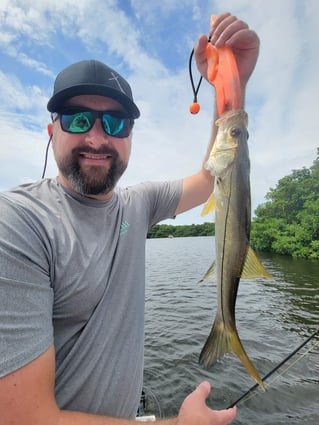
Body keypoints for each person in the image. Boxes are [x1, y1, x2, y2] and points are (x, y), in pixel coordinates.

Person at [0, 12, 259, 425]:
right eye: (78, 118)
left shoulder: (138, 205)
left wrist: (233, 86)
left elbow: (215, 175)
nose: (98, 138)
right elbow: (25, 418)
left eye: (116, 122)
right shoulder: (17, 223)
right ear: (52, 131)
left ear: (130, 136)